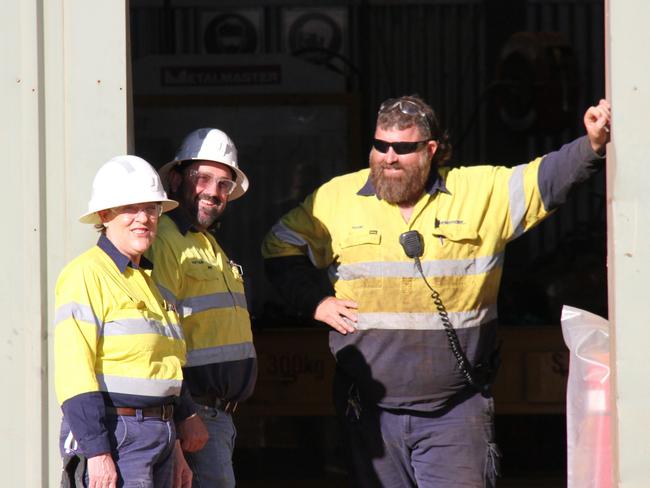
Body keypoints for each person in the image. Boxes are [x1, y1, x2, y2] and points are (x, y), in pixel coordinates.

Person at [261, 95, 611, 487]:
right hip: (369, 411)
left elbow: (545, 179)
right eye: (381, 145)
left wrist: (593, 143)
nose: (388, 157)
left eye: (403, 148)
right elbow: (279, 244)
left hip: (456, 412)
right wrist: (317, 301)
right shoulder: (335, 199)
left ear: (430, 150)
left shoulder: (479, 192)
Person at [54, 155, 196, 488]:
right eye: (130, 208)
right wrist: (98, 453)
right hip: (118, 435)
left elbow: (164, 367)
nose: (143, 219)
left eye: (151, 209)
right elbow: (75, 372)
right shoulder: (85, 274)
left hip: (159, 433)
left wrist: (174, 445)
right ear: (104, 215)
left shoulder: (146, 279)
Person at [146, 128, 257, 487]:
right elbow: (157, 336)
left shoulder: (206, 242)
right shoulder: (165, 238)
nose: (213, 191)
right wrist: (185, 412)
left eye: (223, 184)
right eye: (203, 178)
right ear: (177, 179)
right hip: (195, 415)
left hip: (214, 417)